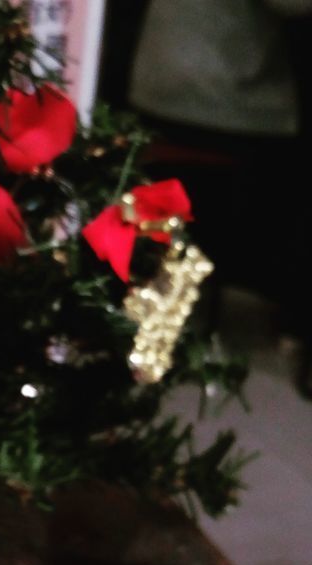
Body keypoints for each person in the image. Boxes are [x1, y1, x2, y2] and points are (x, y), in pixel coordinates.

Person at [129, 0, 312, 389]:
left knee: (169, 218)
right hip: (220, 99)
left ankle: (166, 330)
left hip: (154, 80)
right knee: (270, 201)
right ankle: (263, 324)